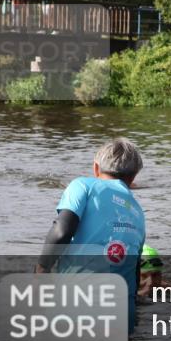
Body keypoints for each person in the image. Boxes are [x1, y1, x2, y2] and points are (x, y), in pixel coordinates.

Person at [36, 138, 146, 329]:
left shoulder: (83, 186)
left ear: (96, 168)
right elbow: (134, 272)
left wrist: (41, 269)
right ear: (133, 177)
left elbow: (61, 231)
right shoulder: (138, 212)